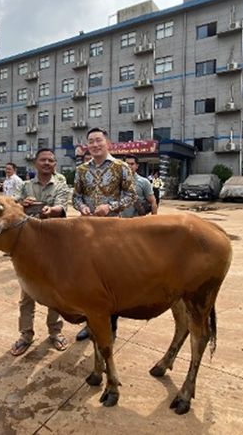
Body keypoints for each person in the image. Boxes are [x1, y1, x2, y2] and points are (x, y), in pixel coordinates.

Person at [72, 127, 135, 341]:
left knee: (111, 281)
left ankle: (111, 327)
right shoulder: (81, 170)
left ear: (107, 142)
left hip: (112, 231)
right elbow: (76, 197)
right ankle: (89, 325)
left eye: (98, 140)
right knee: (86, 280)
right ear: (87, 145)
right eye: (91, 141)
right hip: (86, 231)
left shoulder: (121, 167)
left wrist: (110, 207)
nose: (95, 144)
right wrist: (81, 208)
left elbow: (131, 196)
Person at [9, 148, 70, 356]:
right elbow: (11, 208)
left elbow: (62, 207)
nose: (46, 163)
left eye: (51, 160)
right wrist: (21, 204)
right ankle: (26, 334)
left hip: (54, 248)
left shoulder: (61, 185)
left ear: (55, 165)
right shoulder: (25, 186)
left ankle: (55, 333)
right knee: (28, 293)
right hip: (29, 250)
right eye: (43, 160)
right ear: (35, 163)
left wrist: (50, 210)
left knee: (55, 292)